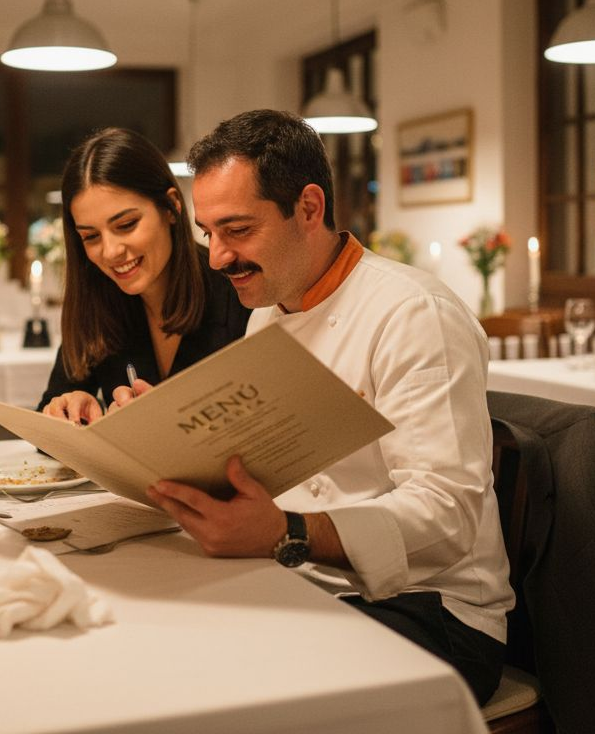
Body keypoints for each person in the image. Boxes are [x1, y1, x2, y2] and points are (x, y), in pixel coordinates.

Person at [118, 110, 514, 704]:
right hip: (306, 580)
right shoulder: (267, 314)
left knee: (216, 686)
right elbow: (272, 466)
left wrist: (288, 530)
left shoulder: (413, 313)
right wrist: (175, 437)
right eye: (209, 234)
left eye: (238, 230)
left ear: (308, 207)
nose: (218, 257)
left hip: (434, 615)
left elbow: (447, 516)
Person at [37, 127, 250, 423]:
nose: (110, 252)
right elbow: (48, 419)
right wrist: (71, 407)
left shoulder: (239, 293)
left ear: (171, 207)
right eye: (91, 236)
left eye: (126, 225)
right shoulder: (97, 302)